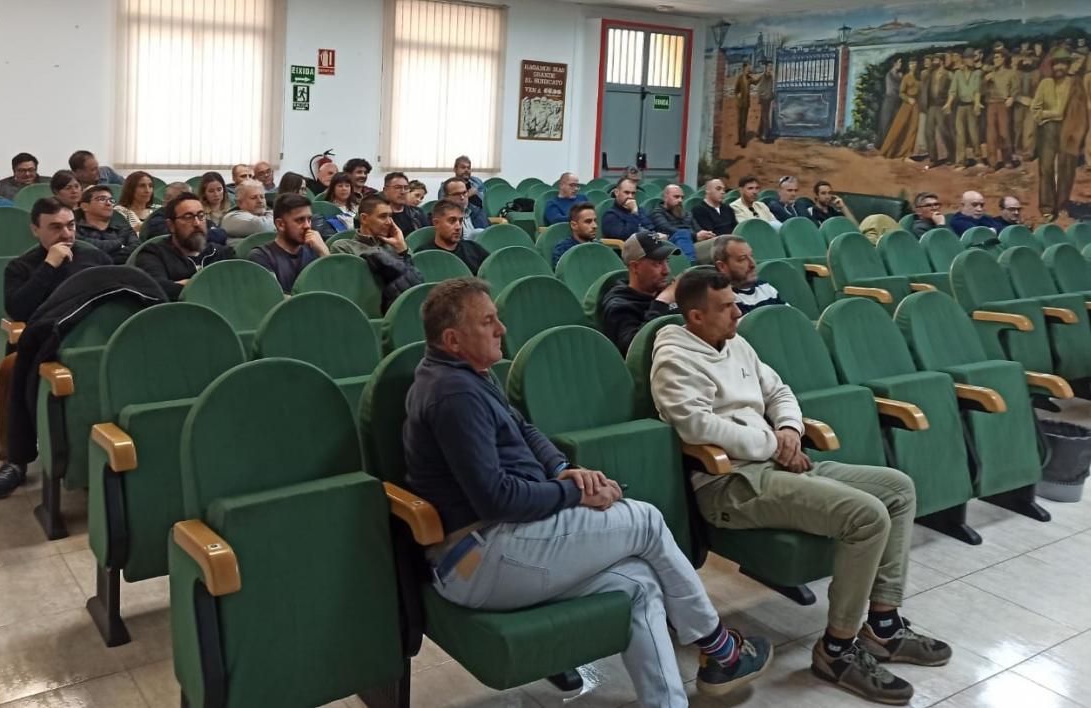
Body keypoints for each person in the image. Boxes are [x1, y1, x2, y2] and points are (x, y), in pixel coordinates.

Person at [404, 277, 773, 707]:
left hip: (506, 542)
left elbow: (523, 429)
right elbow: (496, 498)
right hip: (479, 557)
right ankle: (721, 648)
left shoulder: (468, 374)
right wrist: (574, 495)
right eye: (488, 322)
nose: (501, 329)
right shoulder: (452, 394)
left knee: (638, 583)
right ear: (453, 339)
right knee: (646, 520)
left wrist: (566, 470)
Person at [650, 269, 951, 705]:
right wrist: (774, 443)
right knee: (866, 515)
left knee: (898, 488)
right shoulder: (674, 359)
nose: (738, 312)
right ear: (695, 316)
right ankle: (838, 650)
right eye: (725, 307)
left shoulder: (736, 342)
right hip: (730, 482)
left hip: (777, 462)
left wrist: (789, 429)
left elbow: (779, 390)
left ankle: (883, 627)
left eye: (735, 302)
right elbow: (696, 426)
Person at [0, 198, 112, 496]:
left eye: (70, 225)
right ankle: (14, 460)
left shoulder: (94, 258)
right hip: (43, 349)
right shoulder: (21, 267)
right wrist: (49, 265)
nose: (66, 234)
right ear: (35, 230)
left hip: (94, 343)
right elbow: (19, 309)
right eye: (55, 227)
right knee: (8, 370)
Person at [330, 194, 422, 312]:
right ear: (364, 218)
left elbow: (416, 281)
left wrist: (403, 250)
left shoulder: (396, 245)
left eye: (391, 216)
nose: (389, 222)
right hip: (363, 309)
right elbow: (351, 286)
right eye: (383, 216)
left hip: (401, 309)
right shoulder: (344, 246)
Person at [134, 192, 234, 299]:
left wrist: (185, 284)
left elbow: (240, 284)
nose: (197, 223)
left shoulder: (221, 253)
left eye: (201, 216)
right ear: (171, 225)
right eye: (188, 217)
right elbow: (157, 290)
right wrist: (212, 284)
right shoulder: (153, 254)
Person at [600, 233, 679, 354]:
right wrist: (661, 302)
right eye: (657, 263)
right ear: (635, 267)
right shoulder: (619, 305)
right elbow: (633, 349)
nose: (666, 270)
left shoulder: (666, 290)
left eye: (666, 261)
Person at [1032, 50, 1086, 222]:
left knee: (1067, 168)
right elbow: (1035, 110)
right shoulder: (1045, 84)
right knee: (1046, 167)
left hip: (1069, 128)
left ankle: (1062, 205)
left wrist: (1079, 132)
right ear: (1052, 66)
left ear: (1068, 66)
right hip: (1048, 129)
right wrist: (1051, 114)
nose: (1059, 67)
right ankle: (1047, 206)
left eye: (1063, 63)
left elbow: (1082, 111)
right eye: (1056, 63)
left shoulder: (1075, 84)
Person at [247, 193, 329, 293]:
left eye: (309, 219)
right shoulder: (262, 256)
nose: (307, 226)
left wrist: (325, 253)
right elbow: (274, 297)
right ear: (280, 224)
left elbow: (335, 287)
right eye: (300, 220)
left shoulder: (315, 248)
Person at [711, 236, 783, 314]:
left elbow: (790, 318)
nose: (753, 264)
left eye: (751, 256)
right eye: (742, 259)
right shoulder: (726, 299)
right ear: (722, 266)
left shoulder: (765, 287)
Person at [416, 200, 490, 273]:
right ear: (436, 223)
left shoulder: (474, 248)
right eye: (452, 221)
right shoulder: (424, 255)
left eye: (460, 221)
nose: (458, 227)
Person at [76, 186, 139, 264]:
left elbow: (136, 249)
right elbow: (84, 249)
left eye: (111, 200)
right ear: (85, 206)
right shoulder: (74, 229)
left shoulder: (124, 228)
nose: (108, 203)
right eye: (102, 199)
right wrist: (120, 243)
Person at [944, 49, 983, 169]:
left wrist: (977, 104)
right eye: (970, 58)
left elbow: (977, 90)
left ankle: (979, 159)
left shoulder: (977, 73)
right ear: (965, 60)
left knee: (974, 134)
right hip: (960, 107)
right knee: (960, 135)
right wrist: (948, 104)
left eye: (973, 58)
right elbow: (953, 91)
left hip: (971, 106)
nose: (972, 60)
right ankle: (961, 162)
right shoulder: (958, 74)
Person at [984, 49, 1021, 170]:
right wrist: (985, 81)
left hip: (1003, 105)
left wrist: (1012, 97)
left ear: (1004, 59)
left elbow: (1016, 88)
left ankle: (1007, 159)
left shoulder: (1011, 73)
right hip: (991, 104)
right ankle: (992, 163)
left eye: (998, 57)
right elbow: (981, 91)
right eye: (994, 58)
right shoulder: (991, 74)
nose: (995, 60)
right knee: (991, 135)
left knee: (1004, 133)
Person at [651, 184, 711, 257]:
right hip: (674, 247)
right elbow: (668, 230)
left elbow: (698, 230)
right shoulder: (657, 213)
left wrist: (705, 234)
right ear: (665, 197)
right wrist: (695, 236)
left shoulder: (687, 214)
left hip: (694, 244)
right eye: (676, 197)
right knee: (682, 233)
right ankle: (688, 265)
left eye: (682, 197)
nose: (680, 200)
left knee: (720, 240)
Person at [880, 59, 921, 159]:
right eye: (911, 63)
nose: (913, 65)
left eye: (914, 63)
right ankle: (887, 151)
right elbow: (901, 93)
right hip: (906, 105)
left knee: (913, 128)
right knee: (898, 127)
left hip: (916, 105)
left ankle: (907, 154)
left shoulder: (919, 78)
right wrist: (908, 99)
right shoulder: (906, 77)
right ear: (908, 65)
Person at [922, 54, 954, 166]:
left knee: (944, 131)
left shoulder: (949, 74)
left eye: (935, 60)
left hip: (942, 106)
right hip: (932, 106)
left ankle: (952, 155)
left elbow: (953, 91)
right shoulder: (931, 74)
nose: (933, 61)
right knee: (928, 132)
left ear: (941, 62)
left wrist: (949, 104)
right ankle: (933, 159)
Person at [313, 172, 361, 236]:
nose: (344, 188)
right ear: (333, 188)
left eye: (347, 186)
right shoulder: (325, 208)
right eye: (340, 186)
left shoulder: (359, 207)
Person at [551, 202, 598, 267]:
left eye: (595, 220)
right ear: (574, 225)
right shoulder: (564, 250)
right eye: (588, 221)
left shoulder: (599, 246)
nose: (595, 226)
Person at [879, 58, 905, 144]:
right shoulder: (889, 75)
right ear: (894, 64)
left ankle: (893, 145)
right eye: (899, 62)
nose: (900, 64)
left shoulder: (899, 75)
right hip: (889, 101)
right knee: (886, 122)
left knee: (896, 123)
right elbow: (894, 89)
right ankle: (884, 144)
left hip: (897, 102)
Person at [734, 60, 754, 147]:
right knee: (739, 122)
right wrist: (738, 94)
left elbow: (756, 82)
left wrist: (761, 74)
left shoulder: (750, 78)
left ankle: (743, 141)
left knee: (744, 123)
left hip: (746, 104)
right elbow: (736, 90)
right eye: (747, 68)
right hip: (739, 104)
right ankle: (739, 140)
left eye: (749, 68)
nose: (748, 69)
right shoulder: (740, 78)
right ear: (744, 68)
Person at [755, 61, 776, 143]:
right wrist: (760, 97)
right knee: (765, 117)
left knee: (763, 116)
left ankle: (758, 132)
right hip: (764, 99)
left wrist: (772, 96)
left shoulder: (771, 77)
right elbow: (760, 89)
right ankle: (765, 134)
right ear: (766, 67)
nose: (770, 68)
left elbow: (771, 88)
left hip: (768, 99)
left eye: (771, 66)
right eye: (769, 66)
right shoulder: (763, 76)